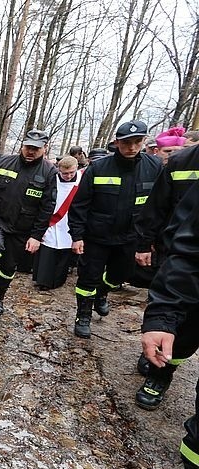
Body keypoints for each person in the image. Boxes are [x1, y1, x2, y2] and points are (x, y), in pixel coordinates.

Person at [138, 180, 199, 469]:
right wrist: (162, 314)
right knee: (176, 347)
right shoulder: (178, 167)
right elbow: (187, 245)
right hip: (193, 297)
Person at [68, 120, 163, 338]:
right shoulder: (98, 168)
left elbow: (158, 206)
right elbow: (80, 204)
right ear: (117, 142)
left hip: (131, 237)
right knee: (87, 278)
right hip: (97, 236)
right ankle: (83, 315)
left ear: (144, 141)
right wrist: (77, 236)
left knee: (122, 273)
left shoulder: (154, 167)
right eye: (126, 142)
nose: (131, 147)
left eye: (137, 142)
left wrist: (150, 239)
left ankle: (102, 291)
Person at [133, 141, 199, 409]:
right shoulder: (180, 162)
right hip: (179, 258)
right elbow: (156, 206)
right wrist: (143, 243)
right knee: (180, 329)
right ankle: (160, 373)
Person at [0, 129, 58, 315]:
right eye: (28, 147)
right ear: (22, 145)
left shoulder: (49, 172)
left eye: (36, 148)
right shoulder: (3, 163)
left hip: (22, 227)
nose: (31, 151)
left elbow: (47, 208)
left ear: (45, 149)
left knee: (9, 266)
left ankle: (0, 297)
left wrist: (36, 236)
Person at [32, 156, 81, 290]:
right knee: (47, 249)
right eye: (65, 173)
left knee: (64, 251)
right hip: (52, 219)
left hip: (70, 220)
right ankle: (43, 281)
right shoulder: (52, 179)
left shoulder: (82, 180)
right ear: (58, 170)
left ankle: (58, 280)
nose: (69, 176)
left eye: (72, 172)